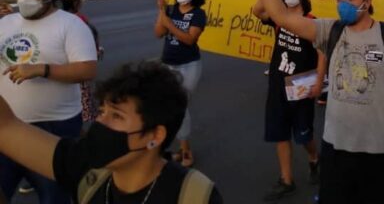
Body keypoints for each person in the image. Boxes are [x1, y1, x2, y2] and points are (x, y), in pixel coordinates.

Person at [240, 0, 384, 204]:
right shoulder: (329, 30)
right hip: (335, 147)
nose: (344, 4)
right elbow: (281, 16)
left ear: (368, 1)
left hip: (379, 149)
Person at [0, 61, 222, 203]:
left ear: (155, 136)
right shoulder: (87, 169)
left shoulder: (193, 196)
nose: (99, 122)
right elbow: (6, 127)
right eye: (102, 110)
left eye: (116, 116)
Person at [0, 0, 97, 204]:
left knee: (55, 197)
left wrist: (42, 69)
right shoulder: (6, 23)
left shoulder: (71, 25)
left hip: (55, 128)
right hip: (7, 126)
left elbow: (87, 70)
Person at [251, 0, 325, 201]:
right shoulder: (278, 19)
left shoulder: (312, 21)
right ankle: (286, 180)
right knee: (279, 132)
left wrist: (319, 82)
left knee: (303, 133)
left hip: (301, 84)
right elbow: (257, 11)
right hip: (277, 83)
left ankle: (314, 158)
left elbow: (322, 53)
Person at [154, 0, 208, 168]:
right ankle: (180, 147)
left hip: (189, 65)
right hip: (168, 64)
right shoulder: (171, 10)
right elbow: (158, 33)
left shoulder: (198, 14)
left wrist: (170, 24)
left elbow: (189, 39)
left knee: (180, 105)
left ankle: (186, 151)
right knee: (169, 107)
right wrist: (161, 11)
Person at [57, 0, 101, 123]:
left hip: (73, 79)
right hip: (51, 78)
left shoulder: (80, 22)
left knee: (74, 121)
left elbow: (92, 52)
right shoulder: (46, 20)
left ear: (76, 1)